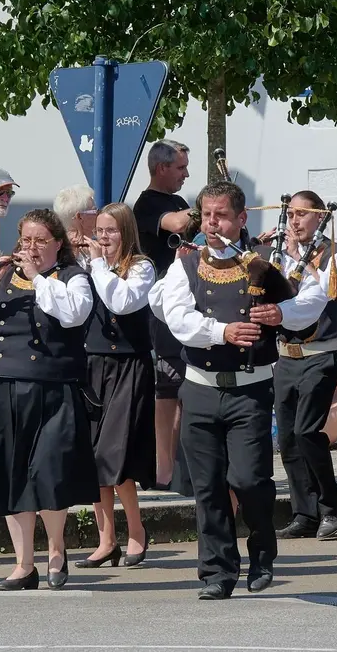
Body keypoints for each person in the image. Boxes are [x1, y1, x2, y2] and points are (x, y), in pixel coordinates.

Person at [150, 181, 327, 600]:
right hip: (199, 390)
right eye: (207, 215)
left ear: (242, 218)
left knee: (250, 480)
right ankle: (217, 571)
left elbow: (315, 297)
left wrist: (280, 311)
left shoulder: (268, 259)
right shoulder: (187, 263)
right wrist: (221, 331)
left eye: (222, 215)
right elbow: (176, 317)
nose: (213, 223)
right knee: (208, 486)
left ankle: (262, 551)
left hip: (250, 390)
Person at [0, 209, 99, 591]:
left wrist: (39, 278)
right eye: (26, 240)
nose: (31, 248)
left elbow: (71, 315)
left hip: (52, 388)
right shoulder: (2, 277)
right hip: (1, 386)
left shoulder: (72, 278)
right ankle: (23, 563)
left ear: (57, 244)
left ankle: (55, 549)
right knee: (10, 473)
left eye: (40, 241)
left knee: (49, 472)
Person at [76, 202, 156, 569]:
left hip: (128, 365)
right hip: (93, 364)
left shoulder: (141, 267)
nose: (103, 238)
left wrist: (97, 265)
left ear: (126, 233)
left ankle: (136, 530)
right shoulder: (88, 267)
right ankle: (106, 538)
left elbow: (121, 302)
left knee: (116, 452)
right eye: (100, 231)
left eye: (111, 231)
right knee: (92, 455)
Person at [272, 190, 337, 540]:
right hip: (286, 358)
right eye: (291, 214)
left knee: (308, 432)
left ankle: (331, 507)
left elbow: (322, 297)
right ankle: (303, 511)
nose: (294, 221)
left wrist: (298, 260)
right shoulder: (282, 255)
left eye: (302, 214)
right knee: (289, 439)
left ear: (320, 217)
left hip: (320, 355)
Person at [131, 140, 195, 493]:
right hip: (161, 307)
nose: (186, 174)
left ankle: (179, 467)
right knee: (167, 386)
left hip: (184, 303)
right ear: (161, 168)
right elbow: (177, 224)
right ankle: (162, 469)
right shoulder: (148, 205)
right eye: (181, 168)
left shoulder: (180, 200)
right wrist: (216, 204)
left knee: (181, 385)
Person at [54, 184, 98, 270]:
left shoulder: (92, 247)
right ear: (79, 217)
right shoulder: (60, 253)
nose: (98, 214)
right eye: (94, 210)